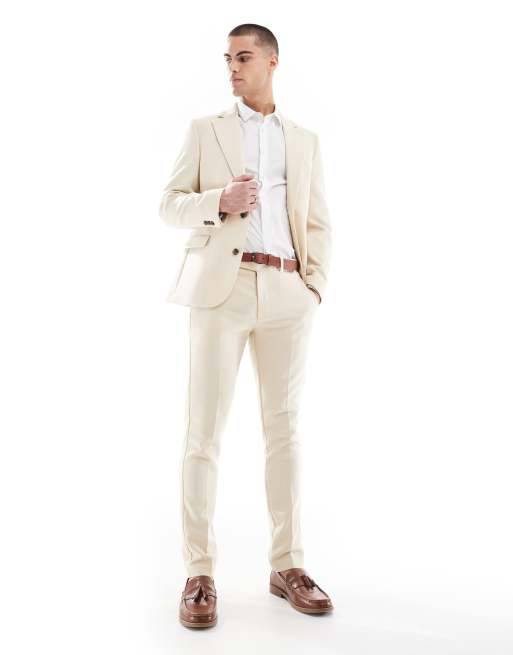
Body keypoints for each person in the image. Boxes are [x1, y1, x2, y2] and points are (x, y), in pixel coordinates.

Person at [159, 23, 333, 629]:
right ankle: (199, 572)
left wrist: (313, 286)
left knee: (284, 431)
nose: (232, 68)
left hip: (287, 292)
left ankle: (288, 565)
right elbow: (168, 203)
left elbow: (317, 220)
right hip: (222, 290)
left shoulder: (304, 140)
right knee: (203, 432)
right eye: (227, 59)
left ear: (272, 62)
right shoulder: (204, 130)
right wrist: (217, 202)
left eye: (243, 57)